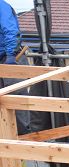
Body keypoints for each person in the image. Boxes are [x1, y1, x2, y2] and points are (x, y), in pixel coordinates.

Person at [0, 0, 30, 134]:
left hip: (10, 58)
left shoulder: (2, 7)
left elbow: (10, 30)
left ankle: (23, 143)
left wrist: (11, 55)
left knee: (16, 102)